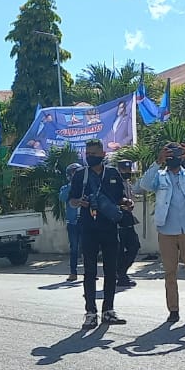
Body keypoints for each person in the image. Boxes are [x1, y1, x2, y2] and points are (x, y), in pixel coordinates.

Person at [141, 141, 185, 323]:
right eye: (169, 153)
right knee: (170, 273)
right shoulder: (159, 177)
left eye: (175, 153)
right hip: (166, 231)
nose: (172, 156)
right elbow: (144, 184)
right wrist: (157, 162)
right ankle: (173, 310)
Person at [70, 140, 129, 329]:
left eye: (93, 153)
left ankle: (108, 310)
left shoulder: (112, 173)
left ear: (103, 154)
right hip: (88, 228)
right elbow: (71, 199)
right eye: (87, 153)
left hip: (109, 227)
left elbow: (120, 197)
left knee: (111, 270)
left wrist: (126, 203)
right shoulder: (81, 175)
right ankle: (90, 313)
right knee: (90, 271)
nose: (89, 157)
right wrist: (79, 202)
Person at [56, 165, 84, 282]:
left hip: (85, 221)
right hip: (72, 222)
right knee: (74, 248)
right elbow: (62, 198)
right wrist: (72, 184)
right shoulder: (66, 188)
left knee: (88, 247)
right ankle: (73, 272)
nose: (75, 174)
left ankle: (89, 272)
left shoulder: (85, 186)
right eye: (73, 173)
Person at [115, 160, 140, 289]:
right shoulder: (114, 183)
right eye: (124, 170)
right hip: (117, 219)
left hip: (128, 218)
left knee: (134, 246)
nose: (127, 172)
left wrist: (131, 204)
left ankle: (120, 272)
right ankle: (121, 275)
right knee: (119, 250)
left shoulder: (128, 183)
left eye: (129, 169)